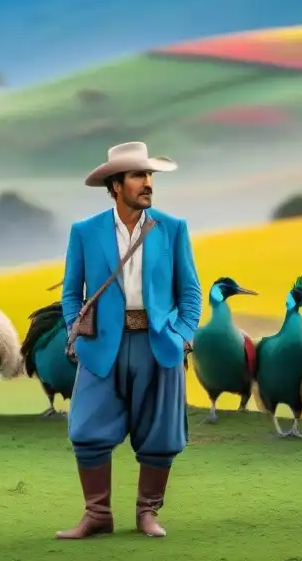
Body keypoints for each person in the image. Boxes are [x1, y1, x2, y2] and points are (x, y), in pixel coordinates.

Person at [55, 141, 202, 540]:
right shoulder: (85, 232)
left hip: (159, 344)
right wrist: (77, 331)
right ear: (116, 185)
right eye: (139, 175)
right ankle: (97, 514)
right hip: (102, 345)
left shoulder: (172, 228)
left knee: (161, 434)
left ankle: (147, 514)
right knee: (86, 429)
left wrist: (183, 335)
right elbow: (71, 292)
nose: (147, 183)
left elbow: (190, 291)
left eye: (149, 175)